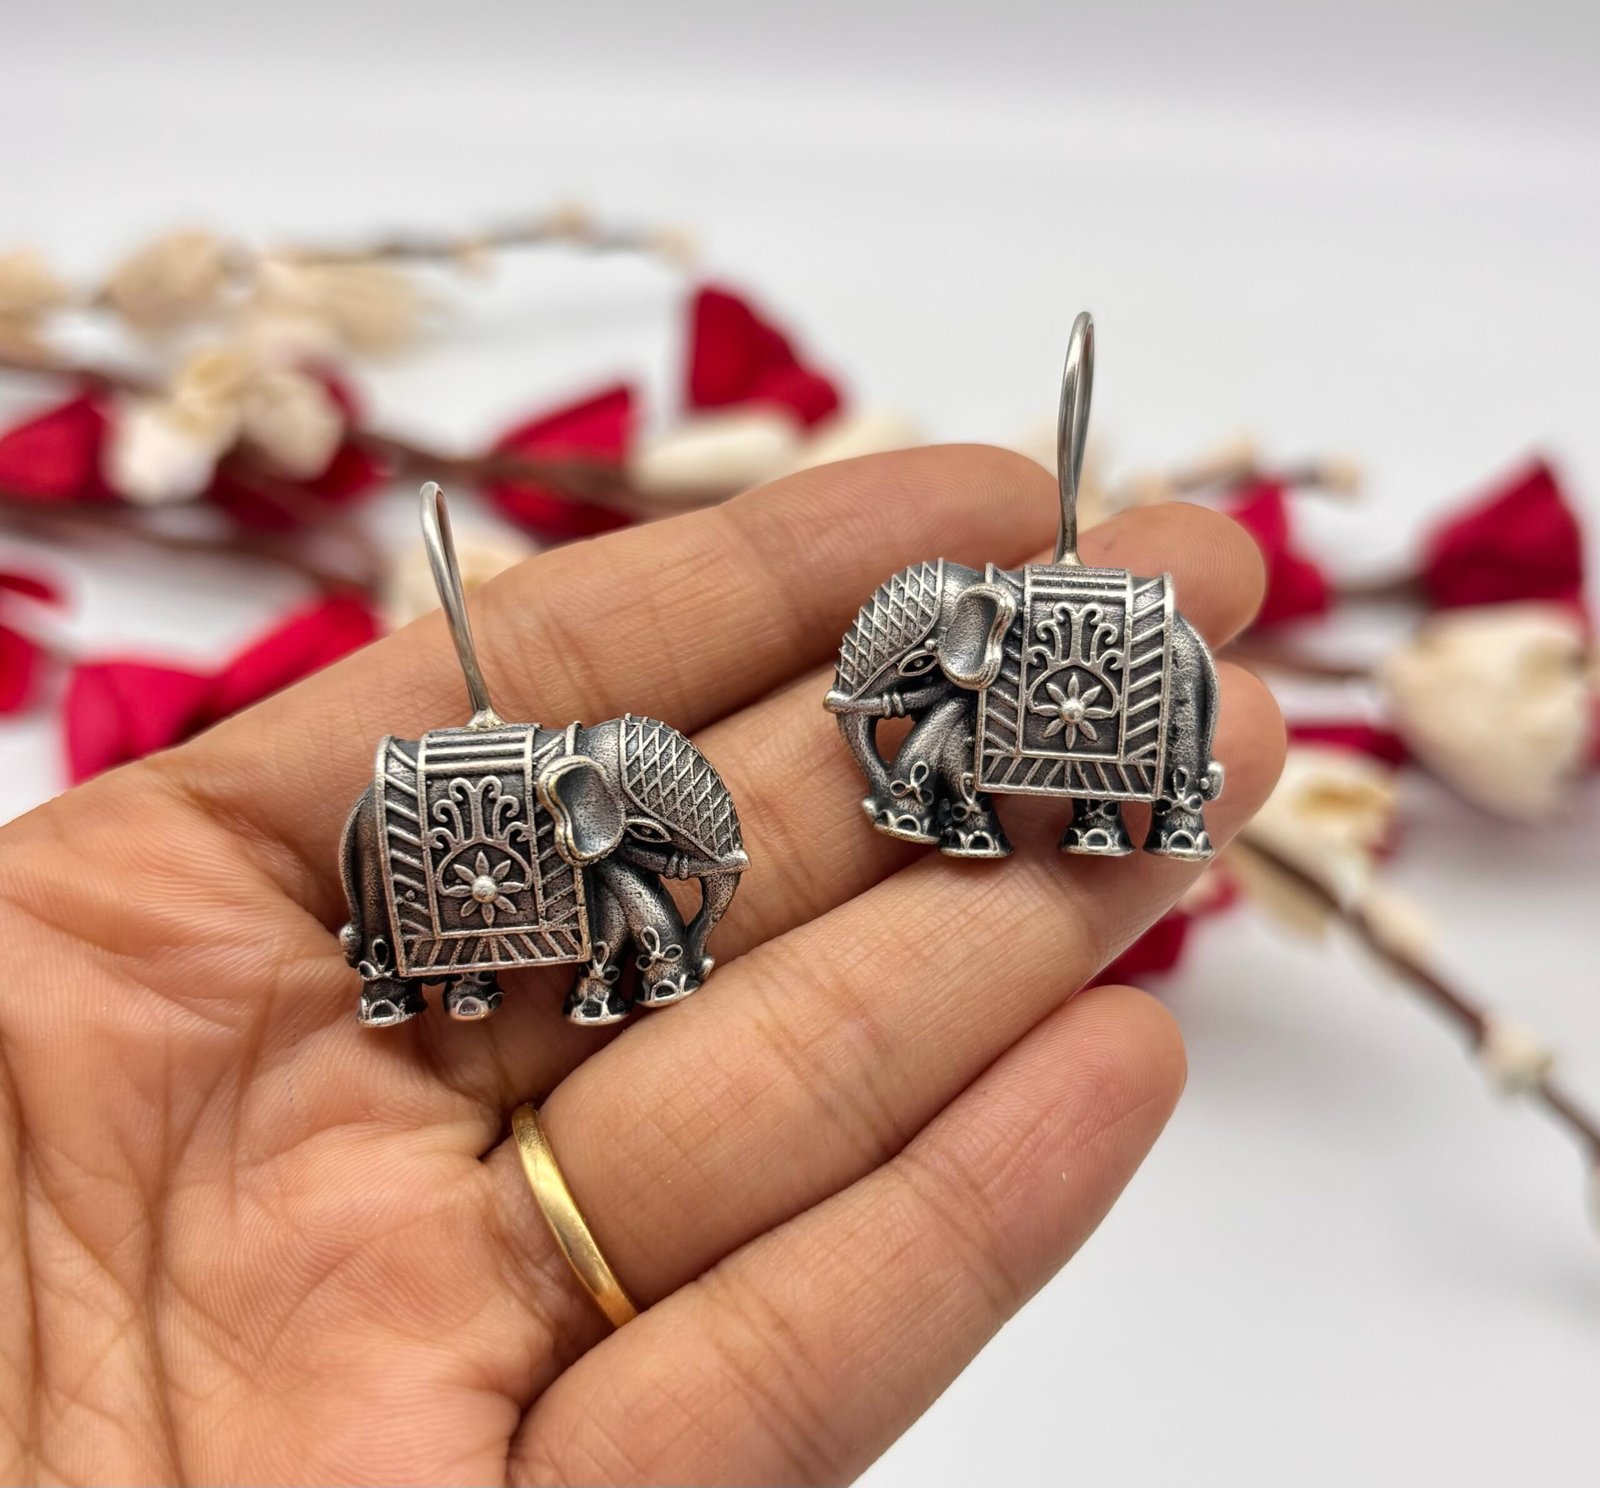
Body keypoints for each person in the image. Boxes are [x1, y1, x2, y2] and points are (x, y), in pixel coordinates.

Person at [0, 446, 1279, 1484]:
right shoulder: (551, 813)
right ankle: (461, 968)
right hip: (501, 875)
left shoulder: (630, 803)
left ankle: (1117, 799)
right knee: (628, 911)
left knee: (640, 902)